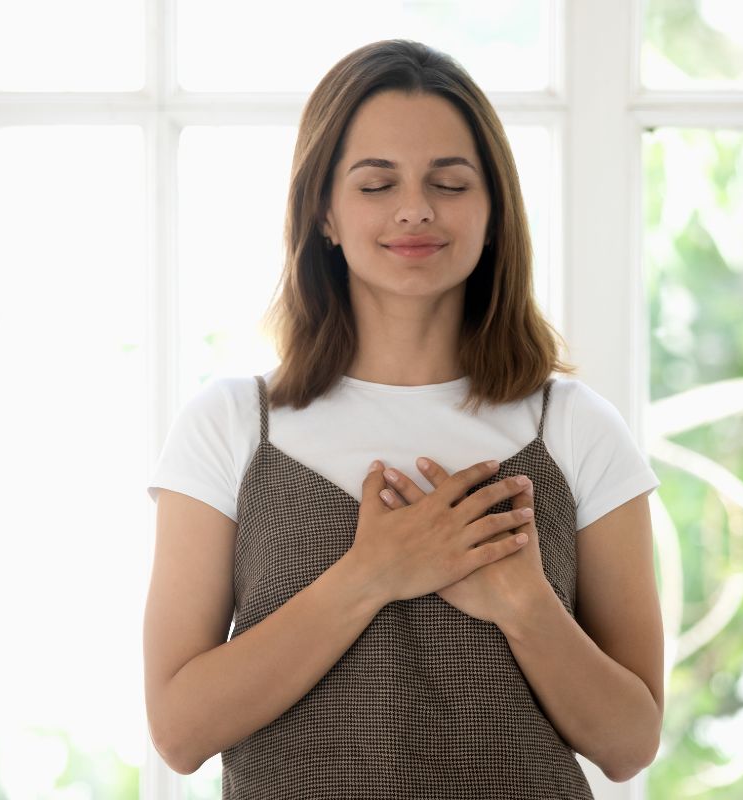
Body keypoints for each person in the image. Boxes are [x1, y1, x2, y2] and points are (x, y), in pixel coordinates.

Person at [143, 39, 664, 798]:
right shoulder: (228, 426)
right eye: (376, 183)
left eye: (449, 183)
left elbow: (629, 744)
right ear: (324, 211)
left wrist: (524, 603)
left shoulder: (576, 429)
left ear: (493, 213)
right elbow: (179, 731)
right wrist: (373, 575)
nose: (415, 209)